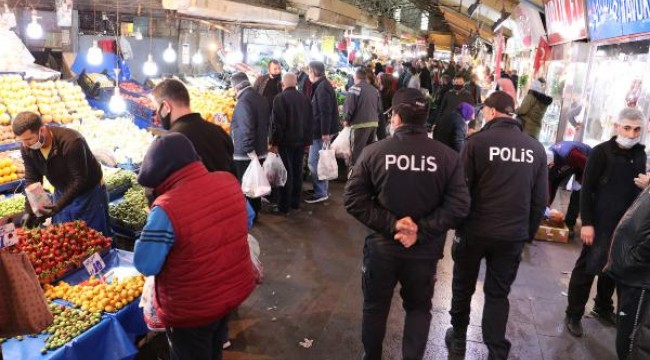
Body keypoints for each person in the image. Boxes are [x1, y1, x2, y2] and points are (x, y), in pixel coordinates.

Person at [344, 88, 470, 360]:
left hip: (382, 249)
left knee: (375, 308)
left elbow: (353, 199)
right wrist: (421, 230)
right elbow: (460, 205)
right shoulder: (447, 157)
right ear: (425, 118)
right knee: (418, 309)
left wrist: (392, 225)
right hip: (424, 252)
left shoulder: (374, 152)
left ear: (397, 118)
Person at [133, 133, 256, 360]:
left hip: (191, 311)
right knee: (214, 347)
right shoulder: (228, 181)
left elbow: (145, 263)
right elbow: (248, 219)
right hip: (229, 292)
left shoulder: (166, 209)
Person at [446, 91, 548, 359]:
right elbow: (540, 200)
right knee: (497, 293)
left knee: (463, 284)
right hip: (512, 234)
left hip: (475, 231)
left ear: (491, 112)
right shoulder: (535, 148)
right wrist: (527, 233)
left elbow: (459, 189)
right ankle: (495, 348)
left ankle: (458, 338)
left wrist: (458, 224)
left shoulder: (477, 143)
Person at [565, 108, 647, 338]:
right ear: (616, 126)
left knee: (613, 269)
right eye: (627, 128)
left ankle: (602, 306)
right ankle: (574, 313)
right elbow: (587, 188)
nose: (631, 134)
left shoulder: (640, 154)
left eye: (637, 129)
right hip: (600, 222)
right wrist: (587, 223)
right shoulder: (601, 152)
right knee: (588, 268)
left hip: (626, 226)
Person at [13, 112, 110, 234]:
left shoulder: (72, 142)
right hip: (61, 190)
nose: (25, 144)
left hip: (88, 193)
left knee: (95, 235)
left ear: (42, 130)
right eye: (21, 141)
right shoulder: (28, 148)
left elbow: (79, 180)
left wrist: (58, 206)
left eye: (29, 139)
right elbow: (33, 179)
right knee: (64, 235)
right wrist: (32, 208)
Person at [151, 79, 234, 174]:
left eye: (156, 108)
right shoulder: (219, 131)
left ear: (166, 106)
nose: (156, 115)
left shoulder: (170, 141)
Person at [604, 185, 650, 360]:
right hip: (630, 271)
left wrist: (635, 258)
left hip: (640, 277)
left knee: (632, 342)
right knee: (625, 334)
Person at [269, 73, 313, 214]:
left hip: (285, 142)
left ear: (283, 84)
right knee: (297, 171)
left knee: (286, 173)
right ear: (296, 84)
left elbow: (277, 124)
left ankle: (284, 206)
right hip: (300, 142)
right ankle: (295, 203)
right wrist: (308, 142)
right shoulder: (305, 99)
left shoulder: (279, 98)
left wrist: (274, 143)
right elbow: (310, 122)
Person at [230, 72, 271, 214]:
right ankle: (256, 211)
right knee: (255, 184)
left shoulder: (243, 102)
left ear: (236, 87)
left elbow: (245, 127)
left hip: (246, 153)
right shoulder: (260, 98)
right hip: (260, 149)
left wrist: (248, 149)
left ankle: (249, 215)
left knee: (247, 185)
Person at [306, 61, 339, 204]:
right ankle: (321, 189)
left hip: (321, 131)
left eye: (309, 71)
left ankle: (321, 192)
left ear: (313, 72)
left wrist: (325, 133)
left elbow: (325, 112)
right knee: (320, 161)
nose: (308, 74)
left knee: (314, 162)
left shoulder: (322, 88)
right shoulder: (322, 85)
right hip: (321, 130)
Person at [547, 141, 592, 236]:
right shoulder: (549, 163)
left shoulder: (571, 154)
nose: (549, 168)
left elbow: (589, 167)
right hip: (568, 164)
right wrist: (546, 209)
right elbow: (550, 186)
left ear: (553, 162)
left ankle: (569, 224)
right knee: (552, 181)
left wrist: (579, 181)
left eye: (550, 166)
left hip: (585, 164)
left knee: (578, 193)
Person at [343, 69, 383, 166]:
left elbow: (349, 107)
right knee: (369, 151)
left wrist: (346, 119)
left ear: (356, 77)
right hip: (373, 123)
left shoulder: (354, 89)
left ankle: (355, 175)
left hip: (360, 123)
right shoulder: (375, 90)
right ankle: (368, 173)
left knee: (357, 150)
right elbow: (379, 108)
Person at [378, 73, 395, 140]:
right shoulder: (379, 90)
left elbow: (392, 106)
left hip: (385, 117)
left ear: (383, 80)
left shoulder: (391, 92)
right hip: (381, 116)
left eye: (379, 78)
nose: (378, 79)